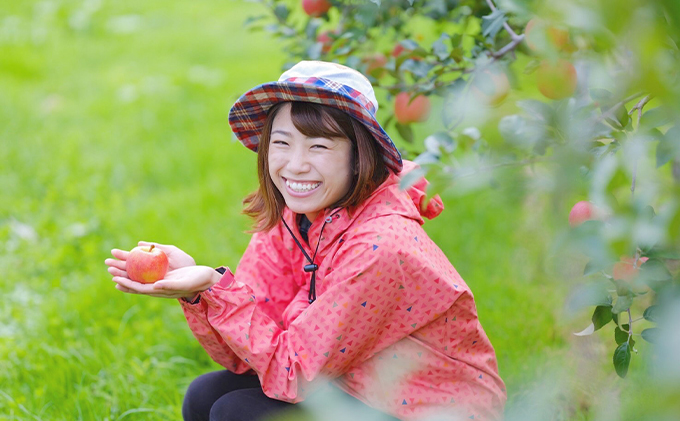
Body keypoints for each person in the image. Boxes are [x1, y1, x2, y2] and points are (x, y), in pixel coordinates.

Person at [105, 60, 506, 421]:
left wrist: (214, 285)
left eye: (318, 145)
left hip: (427, 411)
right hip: (355, 385)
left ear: (358, 155)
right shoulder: (293, 219)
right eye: (281, 142)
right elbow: (245, 358)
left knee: (238, 412)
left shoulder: (383, 246)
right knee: (206, 394)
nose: (295, 164)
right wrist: (199, 295)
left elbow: (291, 372)